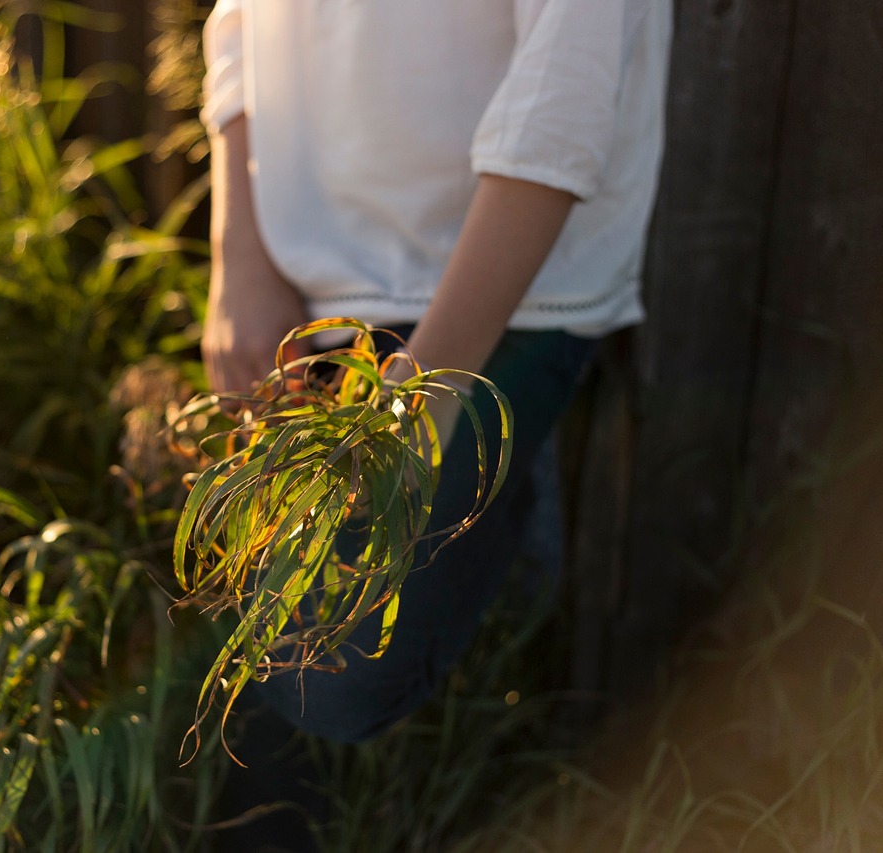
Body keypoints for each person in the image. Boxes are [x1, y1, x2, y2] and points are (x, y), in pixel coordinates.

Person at [199, 1, 672, 849]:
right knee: (235, 633)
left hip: (498, 289)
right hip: (309, 278)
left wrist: (418, 401)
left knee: (326, 672)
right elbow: (239, 20)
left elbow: (559, 102)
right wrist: (241, 263)